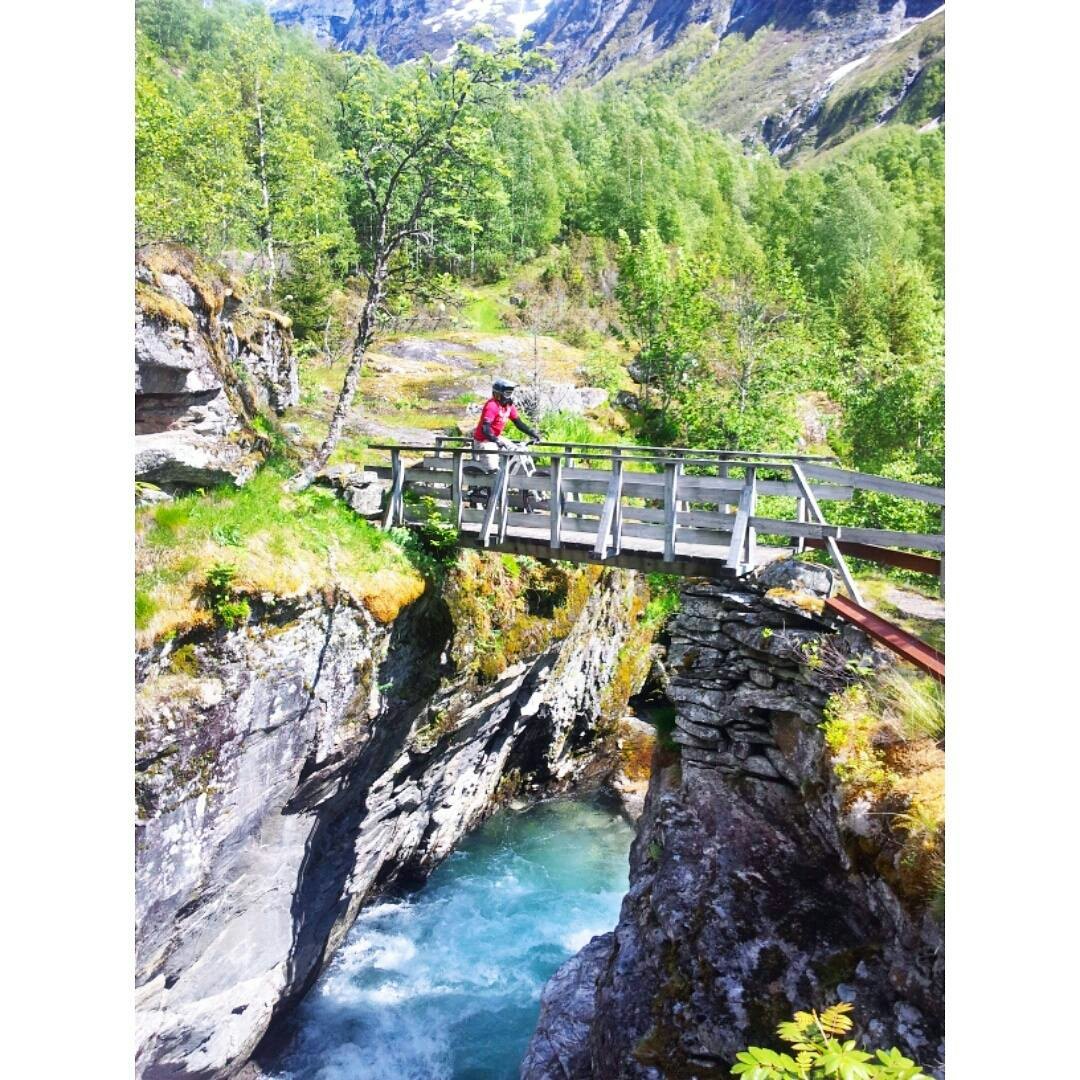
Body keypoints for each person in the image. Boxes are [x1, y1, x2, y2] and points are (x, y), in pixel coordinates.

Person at [472, 378, 540, 472]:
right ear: (498, 394)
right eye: (507, 393)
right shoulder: (492, 406)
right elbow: (486, 428)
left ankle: (507, 476)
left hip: (495, 437)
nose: (509, 396)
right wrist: (496, 440)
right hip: (484, 440)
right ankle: (493, 483)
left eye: (511, 393)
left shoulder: (508, 407)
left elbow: (518, 423)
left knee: (517, 452)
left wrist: (533, 434)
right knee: (494, 470)